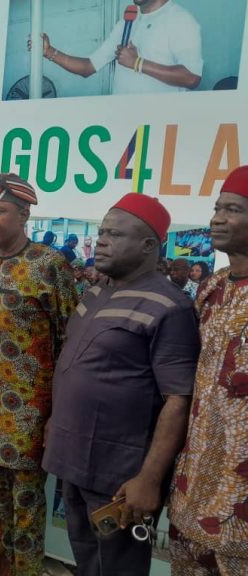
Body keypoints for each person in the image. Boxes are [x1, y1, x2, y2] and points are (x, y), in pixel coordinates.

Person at [42, 193, 200, 575]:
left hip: (119, 474)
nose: (101, 241)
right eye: (101, 232)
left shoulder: (170, 307)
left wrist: (149, 478)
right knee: (86, 560)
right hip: (74, 457)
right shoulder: (96, 292)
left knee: (119, 566)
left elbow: (179, 399)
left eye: (115, 234)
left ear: (148, 245)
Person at [0, 174, 77, 576]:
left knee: (26, 511)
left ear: (24, 215)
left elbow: (69, 343)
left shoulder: (50, 265)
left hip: (28, 419)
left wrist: (57, 416)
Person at [168, 166, 248, 576]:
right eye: (217, 208)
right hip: (196, 478)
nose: (217, 218)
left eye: (232, 209)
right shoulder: (211, 288)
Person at [37, 0, 202, 95]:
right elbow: (88, 67)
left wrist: (137, 63)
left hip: (159, 127)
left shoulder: (180, 19)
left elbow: (192, 78)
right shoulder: (128, 21)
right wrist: (49, 52)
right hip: (123, 123)